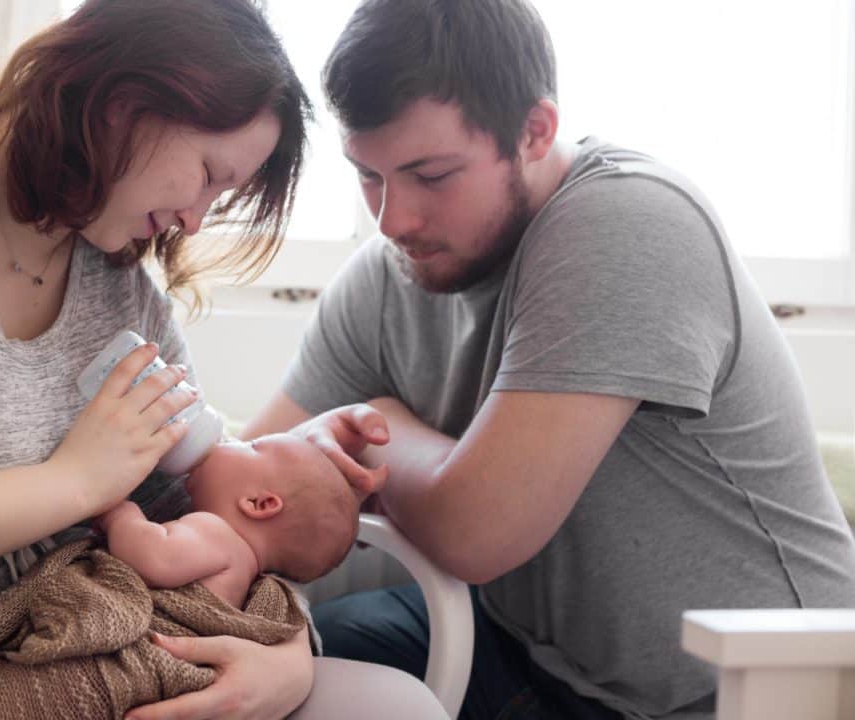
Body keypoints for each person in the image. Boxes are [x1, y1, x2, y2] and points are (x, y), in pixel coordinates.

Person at [0, 1, 433, 718]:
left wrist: (286, 656)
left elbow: (204, 519)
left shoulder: (121, 291)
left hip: (103, 664)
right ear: (123, 105)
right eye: (206, 174)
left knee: (399, 706)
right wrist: (74, 480)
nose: (196, 219)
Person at [243, 1, 855, 719]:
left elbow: (478, 532)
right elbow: (245, 470)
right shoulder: (386, 278)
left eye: (432, 175)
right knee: (320, 651)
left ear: (535, 132)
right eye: (369, 176)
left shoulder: (627, 221)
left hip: (752, 688)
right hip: (533, 655)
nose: (393, 220)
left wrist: (377, 421)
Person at [101, 432, 379, 608]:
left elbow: (155, 559)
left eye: (249, 445)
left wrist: (115, 510)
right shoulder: (242, 574)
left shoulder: (217, 534)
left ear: (259, 503)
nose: (226, 439)